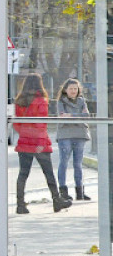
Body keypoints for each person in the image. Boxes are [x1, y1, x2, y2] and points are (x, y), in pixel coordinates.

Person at [12, 73, 72, 214]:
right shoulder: (41, 100)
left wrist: (25, 134)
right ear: (40, 84)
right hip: (40, 143)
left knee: (23, 174)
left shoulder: (19, 101)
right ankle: (56, 201)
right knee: (48, 173)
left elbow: (17, 124)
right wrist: (39, 142)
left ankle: (20, 204)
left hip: (24, 142)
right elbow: (41, 124)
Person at [55, 78, 92, 201]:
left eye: (75, 89)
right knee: (64, 162)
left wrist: (71, 115)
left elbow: (86, 115)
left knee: (78, 164)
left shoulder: (82, 101)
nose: (73, 91)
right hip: (65, 135)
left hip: (80, 135)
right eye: (71, 88)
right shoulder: (61, 101)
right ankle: (63, 191)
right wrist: (77, 117)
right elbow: (62, 117)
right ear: (65, 90)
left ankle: (80, 192)